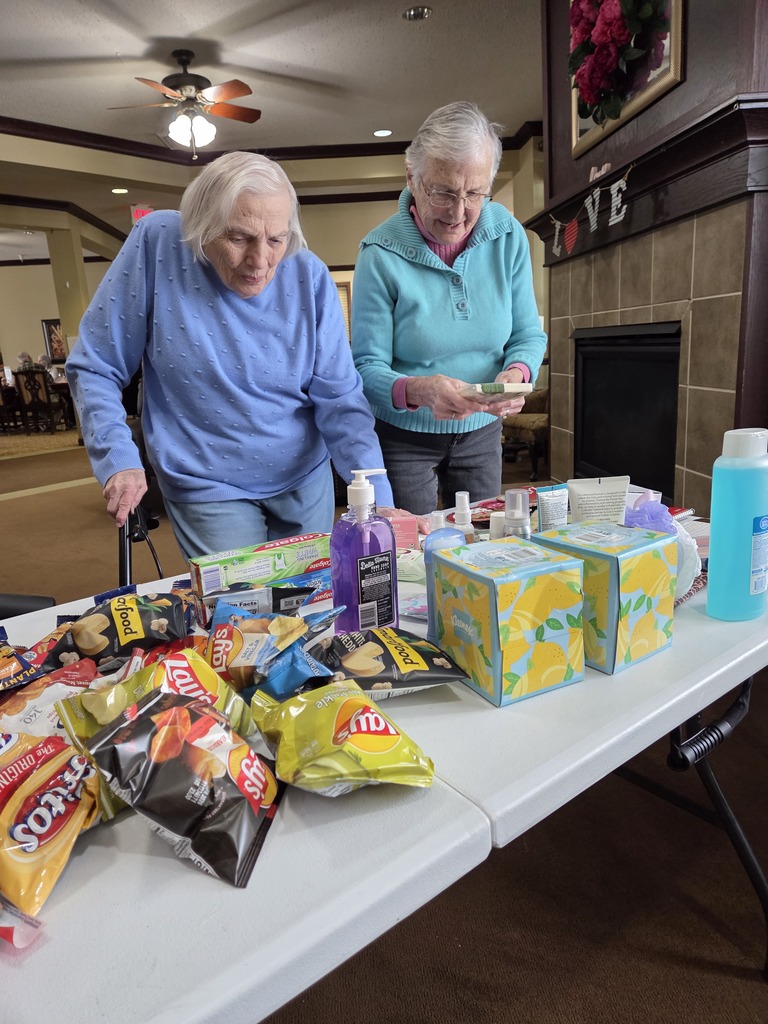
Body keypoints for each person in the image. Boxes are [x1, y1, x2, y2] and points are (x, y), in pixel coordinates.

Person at [67, 151, 393, 560]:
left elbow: (340, 399)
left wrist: (377, 496)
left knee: (311, 592)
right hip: (206, 480)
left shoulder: (308, 275)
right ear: (200, 227)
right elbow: (95, 364)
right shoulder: (158, 243)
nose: (260, 261)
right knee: (240, 598)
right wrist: (118, 458)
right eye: (239, 238)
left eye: (276, 240)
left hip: (303, 475)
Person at [351, 101, 547, 515]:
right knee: (411, 545)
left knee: (483, 540)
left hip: (483, 432)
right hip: (404, 438)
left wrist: (516, 375)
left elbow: (528, 335)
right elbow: (365, 368)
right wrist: (419, 390)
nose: (459, 213)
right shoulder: (379, 253)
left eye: (474, 193)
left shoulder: (507, 235)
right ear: (412, 177)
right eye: (443, 192)